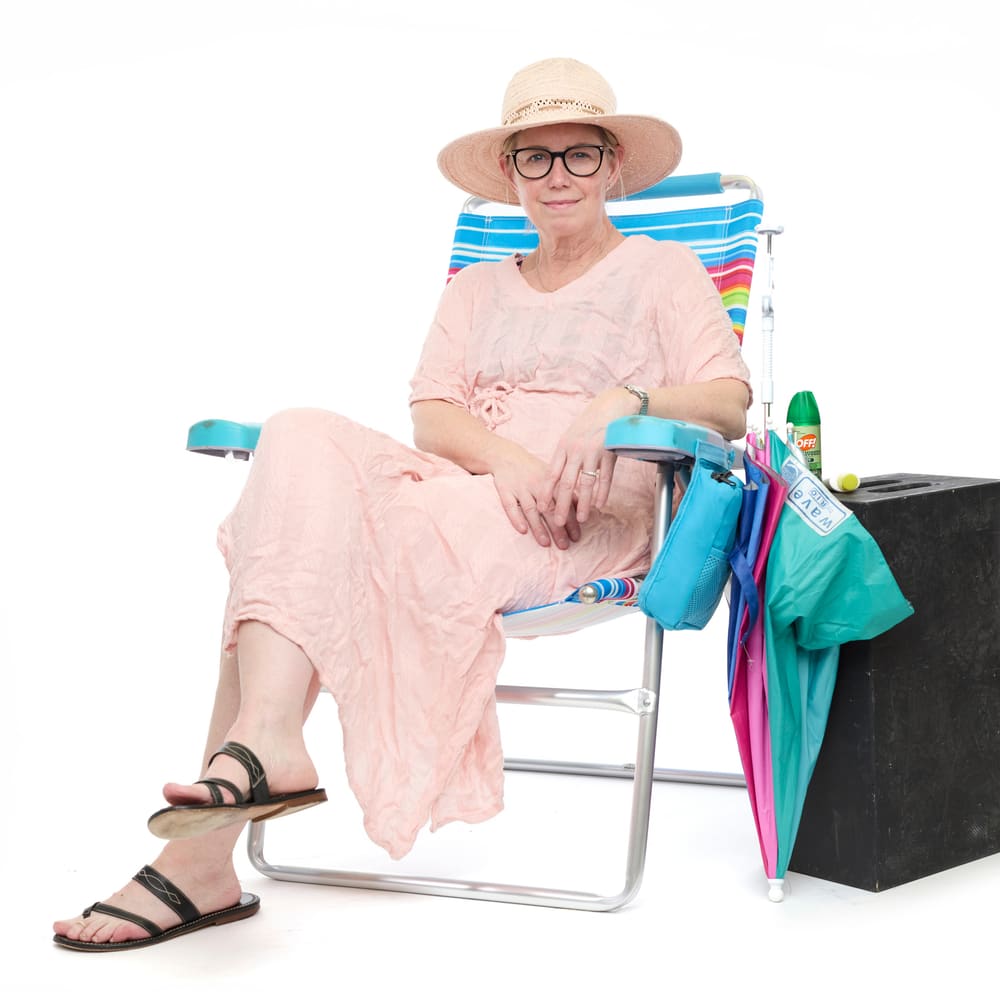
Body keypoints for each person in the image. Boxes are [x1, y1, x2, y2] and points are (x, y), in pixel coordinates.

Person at [53, 56, 751, 951]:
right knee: (295, 438)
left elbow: (729, 404)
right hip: (472, 491)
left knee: (311, 541)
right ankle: (265, 741)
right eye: (535, 158)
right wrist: (502, 461)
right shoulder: (476, 287)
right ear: (509, 175)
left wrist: (621, 403)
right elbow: (432, 413)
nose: (558, 176)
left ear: (614, 165)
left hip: (581, 520)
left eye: (580, 154)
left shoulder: (664, 270)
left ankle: (203, 859)